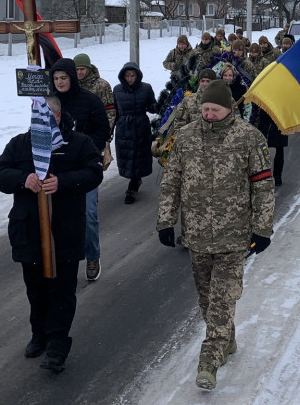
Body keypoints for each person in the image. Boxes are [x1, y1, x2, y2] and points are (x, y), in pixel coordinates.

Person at [155, 80, 275, 391]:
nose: (208, 114)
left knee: (222, 299)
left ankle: (208, 361)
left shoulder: (249, 138)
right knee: (207, 299)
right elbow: (171, 181)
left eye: (215, 109)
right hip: (195, 235)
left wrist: (262, 228)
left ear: (229, 108)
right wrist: (166, 221)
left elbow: (263, 186)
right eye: (205, 109)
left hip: (234, 235)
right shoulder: (186, 137)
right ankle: (227, 340)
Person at [0, 95, 102, 373]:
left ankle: (57, 344)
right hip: (28, 231)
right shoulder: (20, 144)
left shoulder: (78, 143)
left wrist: (62, 182)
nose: (39, 120)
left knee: (62, 290)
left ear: (58, 116)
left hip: (64, 231)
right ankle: (38, 333)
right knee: (36, 289)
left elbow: (93, 172)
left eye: (45, 115)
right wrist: (22, 179)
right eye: (35, 115)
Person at [51, 57, 111, 284]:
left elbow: (102, 129)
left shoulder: (90, 100)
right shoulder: (48, 102)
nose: (59, 82)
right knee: (57, 216)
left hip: (84, 166)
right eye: (56, 78)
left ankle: (92, 256)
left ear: (72, 78)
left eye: (63, 78)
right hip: (57, 166)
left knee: (87, 214)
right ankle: (63, 260)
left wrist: (86, 149)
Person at [113, 61, 158, 203]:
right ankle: (134, 180)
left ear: (137, 76)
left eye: (133, 75)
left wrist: (159, 105)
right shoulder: (117, 89)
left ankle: (133, 186)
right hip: (124, 128)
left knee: (139, 157)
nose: (130, 78)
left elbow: (152, 106)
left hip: (141, 126)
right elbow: (113, 111)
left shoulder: (146, 88)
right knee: (127, 157)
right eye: (127, 76)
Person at [74, 53, 117, 133]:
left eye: (82, 69)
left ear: (89, 69)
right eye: (77, 69)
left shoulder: (102, 85)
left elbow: (110, 111)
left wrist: (105, 134)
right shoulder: (71, 85)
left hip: (96, 135)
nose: (79, 72)